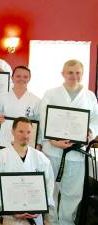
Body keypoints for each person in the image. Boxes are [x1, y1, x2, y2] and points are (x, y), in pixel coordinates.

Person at [39, 59, 98, 225]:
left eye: (78, 72)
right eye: (70, 72)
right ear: (63, 73)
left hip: (76, 153)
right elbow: (44, 118)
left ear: (82, 74)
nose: (74, 76)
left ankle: (66, 222)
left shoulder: (89, 96)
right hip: (52, 149)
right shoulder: (51, 93)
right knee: (50, 188)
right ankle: (49, 221)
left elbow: (95, 119)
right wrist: (52, 139)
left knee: (72, 193)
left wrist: (90, 133)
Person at [0, 117, 55, 225]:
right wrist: (9, 210)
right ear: (12, 131)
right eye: (21, 131)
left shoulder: (41, 158)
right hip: (8, 215)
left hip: (34, 214)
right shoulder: (0, 157)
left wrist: (41, 207)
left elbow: (49, 184)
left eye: (28, 132)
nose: (25, 136)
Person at [0, 66, 41, 152]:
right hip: (4, 140)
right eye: (18, 76)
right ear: (12, 78)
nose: (21, 79)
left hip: (25, 142)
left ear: (29, 79)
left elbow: (38, 124)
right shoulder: (2, 98)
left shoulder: (36, 100)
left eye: (25, 77)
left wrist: (38, 143)